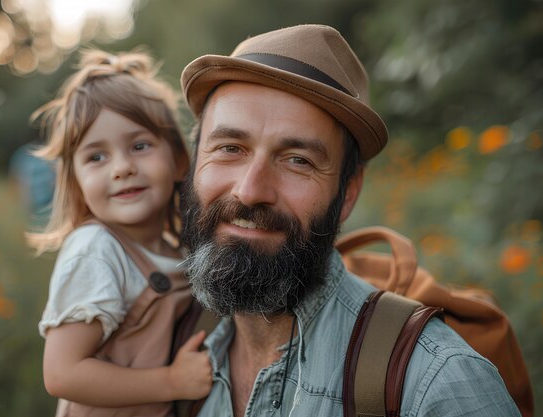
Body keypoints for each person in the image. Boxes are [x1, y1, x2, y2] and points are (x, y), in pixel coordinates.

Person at [179, 24, 520, 416]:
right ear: (193, 165)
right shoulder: (165, 345)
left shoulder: (435, 384)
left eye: (298, 160)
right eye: (229, 148)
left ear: (349, 193)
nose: (251, 190)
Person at [28, 49, 212, 417]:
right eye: (96, 157)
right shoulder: (96, 251)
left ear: (178, 160)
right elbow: (62, 374)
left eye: (140, 146)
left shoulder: (178, 247)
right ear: (77, 184)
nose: (122, 168)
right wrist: (172, 382)